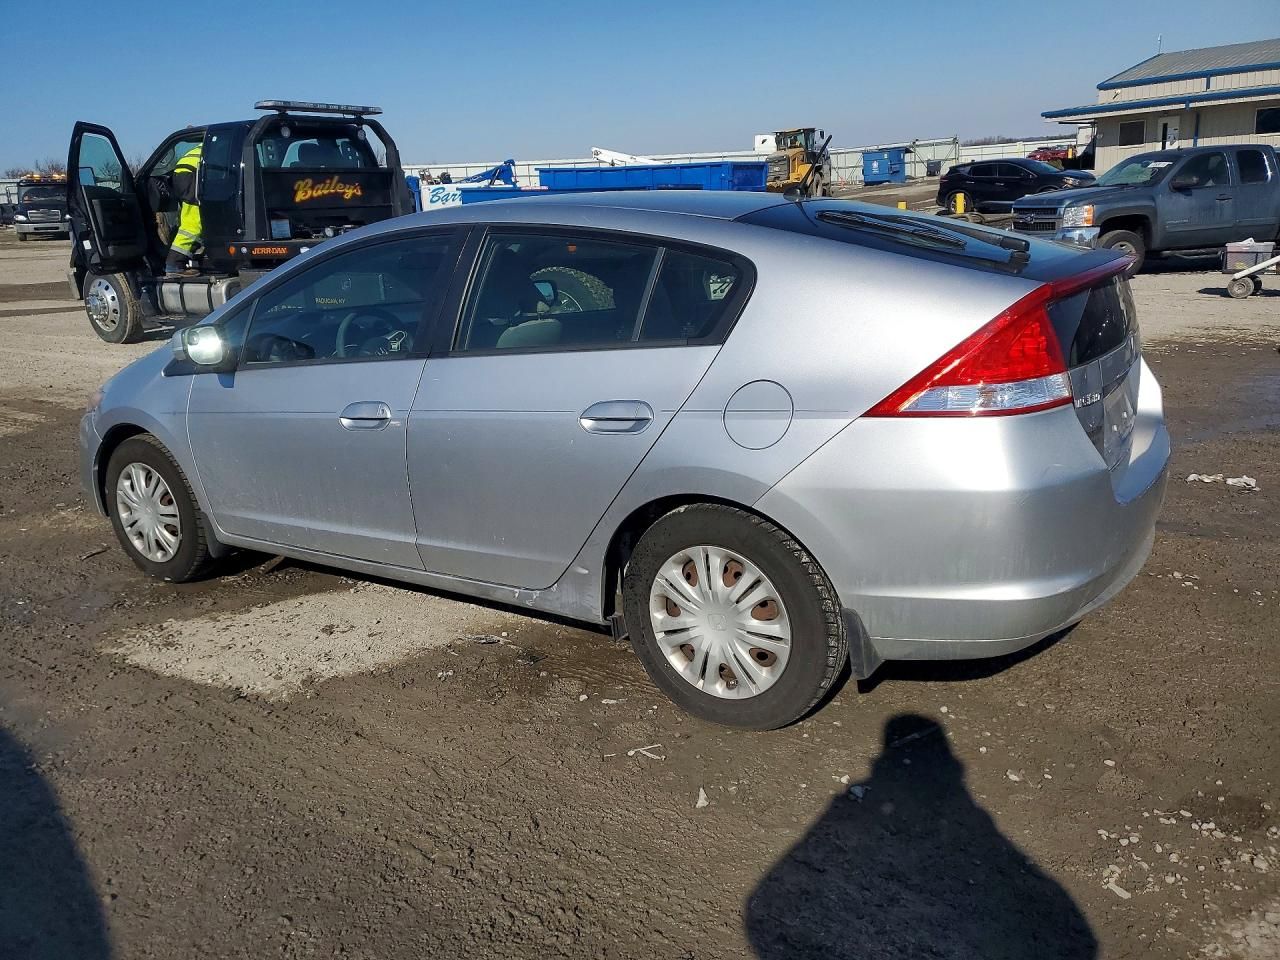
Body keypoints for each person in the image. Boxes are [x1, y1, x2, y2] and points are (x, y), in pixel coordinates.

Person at [166, 141, 204, 276]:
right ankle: (174, 264)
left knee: (192, 219)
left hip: (185, 173)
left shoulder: (213, 142)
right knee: (194, 223)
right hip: (191, 174)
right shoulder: (225, 143)